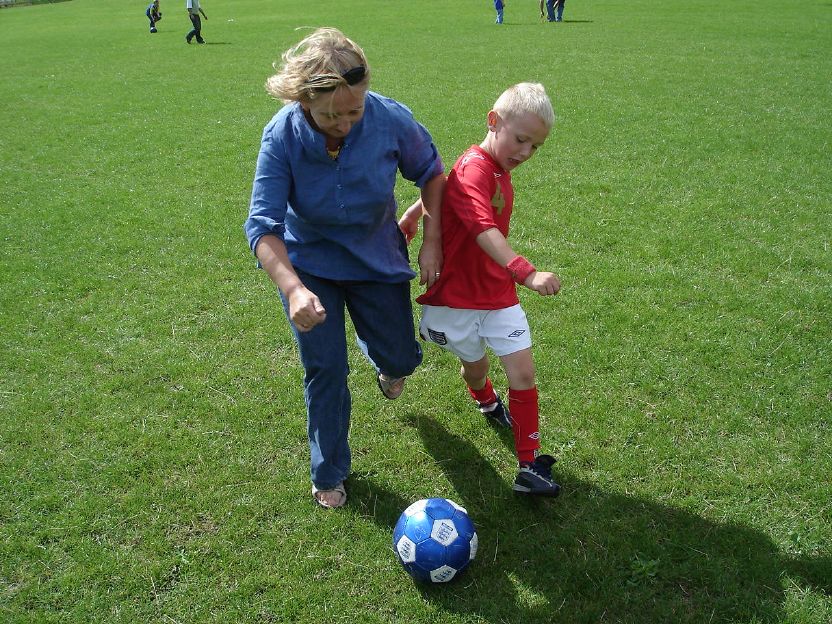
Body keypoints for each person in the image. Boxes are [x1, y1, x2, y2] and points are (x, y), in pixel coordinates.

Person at [244, 28, 445, 510]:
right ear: (304, 100)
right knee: (325, 368)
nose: (345, 123)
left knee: (402, 359)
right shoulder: (282, 135)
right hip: (311, 265)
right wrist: (292, 289)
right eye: (330, 114)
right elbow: (262, 227)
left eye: (354, 110)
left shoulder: (390, 119)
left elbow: (433, 173)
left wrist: (432, 240)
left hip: (376, 257)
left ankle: (385, 360)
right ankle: (329, 470)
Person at [400, 83, 561, 496]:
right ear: (494, 121)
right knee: (476, 367)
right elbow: (479, 226)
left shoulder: (490, 167)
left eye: (535, 146)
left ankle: (530, 466)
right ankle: (485, 398)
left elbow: (445, 183)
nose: (525, 152)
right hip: (457, 298)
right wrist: (525, 272)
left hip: (498, 296)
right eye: (521, 139)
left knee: (523, 374)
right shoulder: (477, 167)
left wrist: (415, 213)